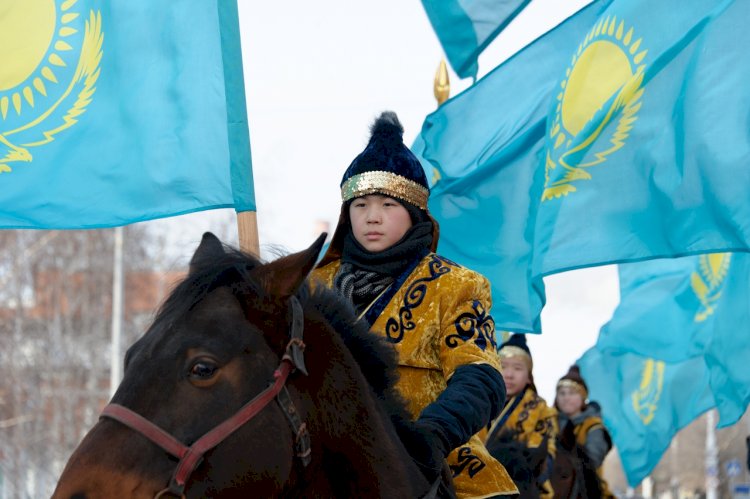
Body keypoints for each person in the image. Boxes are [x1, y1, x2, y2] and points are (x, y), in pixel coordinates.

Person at [312, 111, 518, 498]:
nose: (372, 217)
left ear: (413, 212)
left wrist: (426, 437)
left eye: (388, 204)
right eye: (360, 205)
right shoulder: (312, 286)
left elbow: (482, 379)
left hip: (434, 459)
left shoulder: (456, 285)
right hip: (324, 458)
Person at [484, 334, 558, 498]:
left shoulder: (541, 410)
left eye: (517, 368)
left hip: (521, 486)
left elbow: (545, 455)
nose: (509, 374)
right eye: (503, 366)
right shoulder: (478, 401)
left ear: (529, 377)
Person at [554, 364, 615, 498]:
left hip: (587, 491)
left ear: (583, 398)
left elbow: (592, 463)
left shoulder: (594, 428)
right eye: (562, 393)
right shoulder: (549, 423)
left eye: (572, 393)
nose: (566, 398)